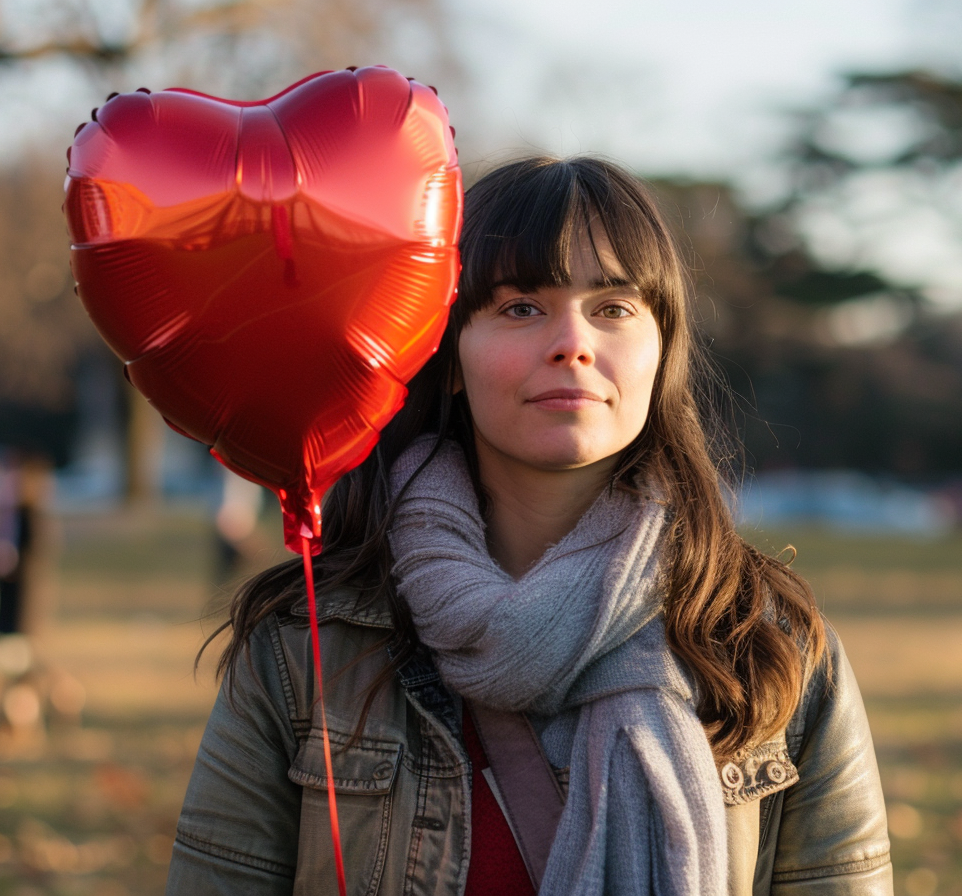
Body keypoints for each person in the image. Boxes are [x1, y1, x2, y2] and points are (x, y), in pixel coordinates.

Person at [166, 156, 891, 895]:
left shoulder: (770, 647)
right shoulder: (306, 651)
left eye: (613, 308)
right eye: (520, 307)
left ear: (662, 349)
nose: (571, 343)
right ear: (447, 354)